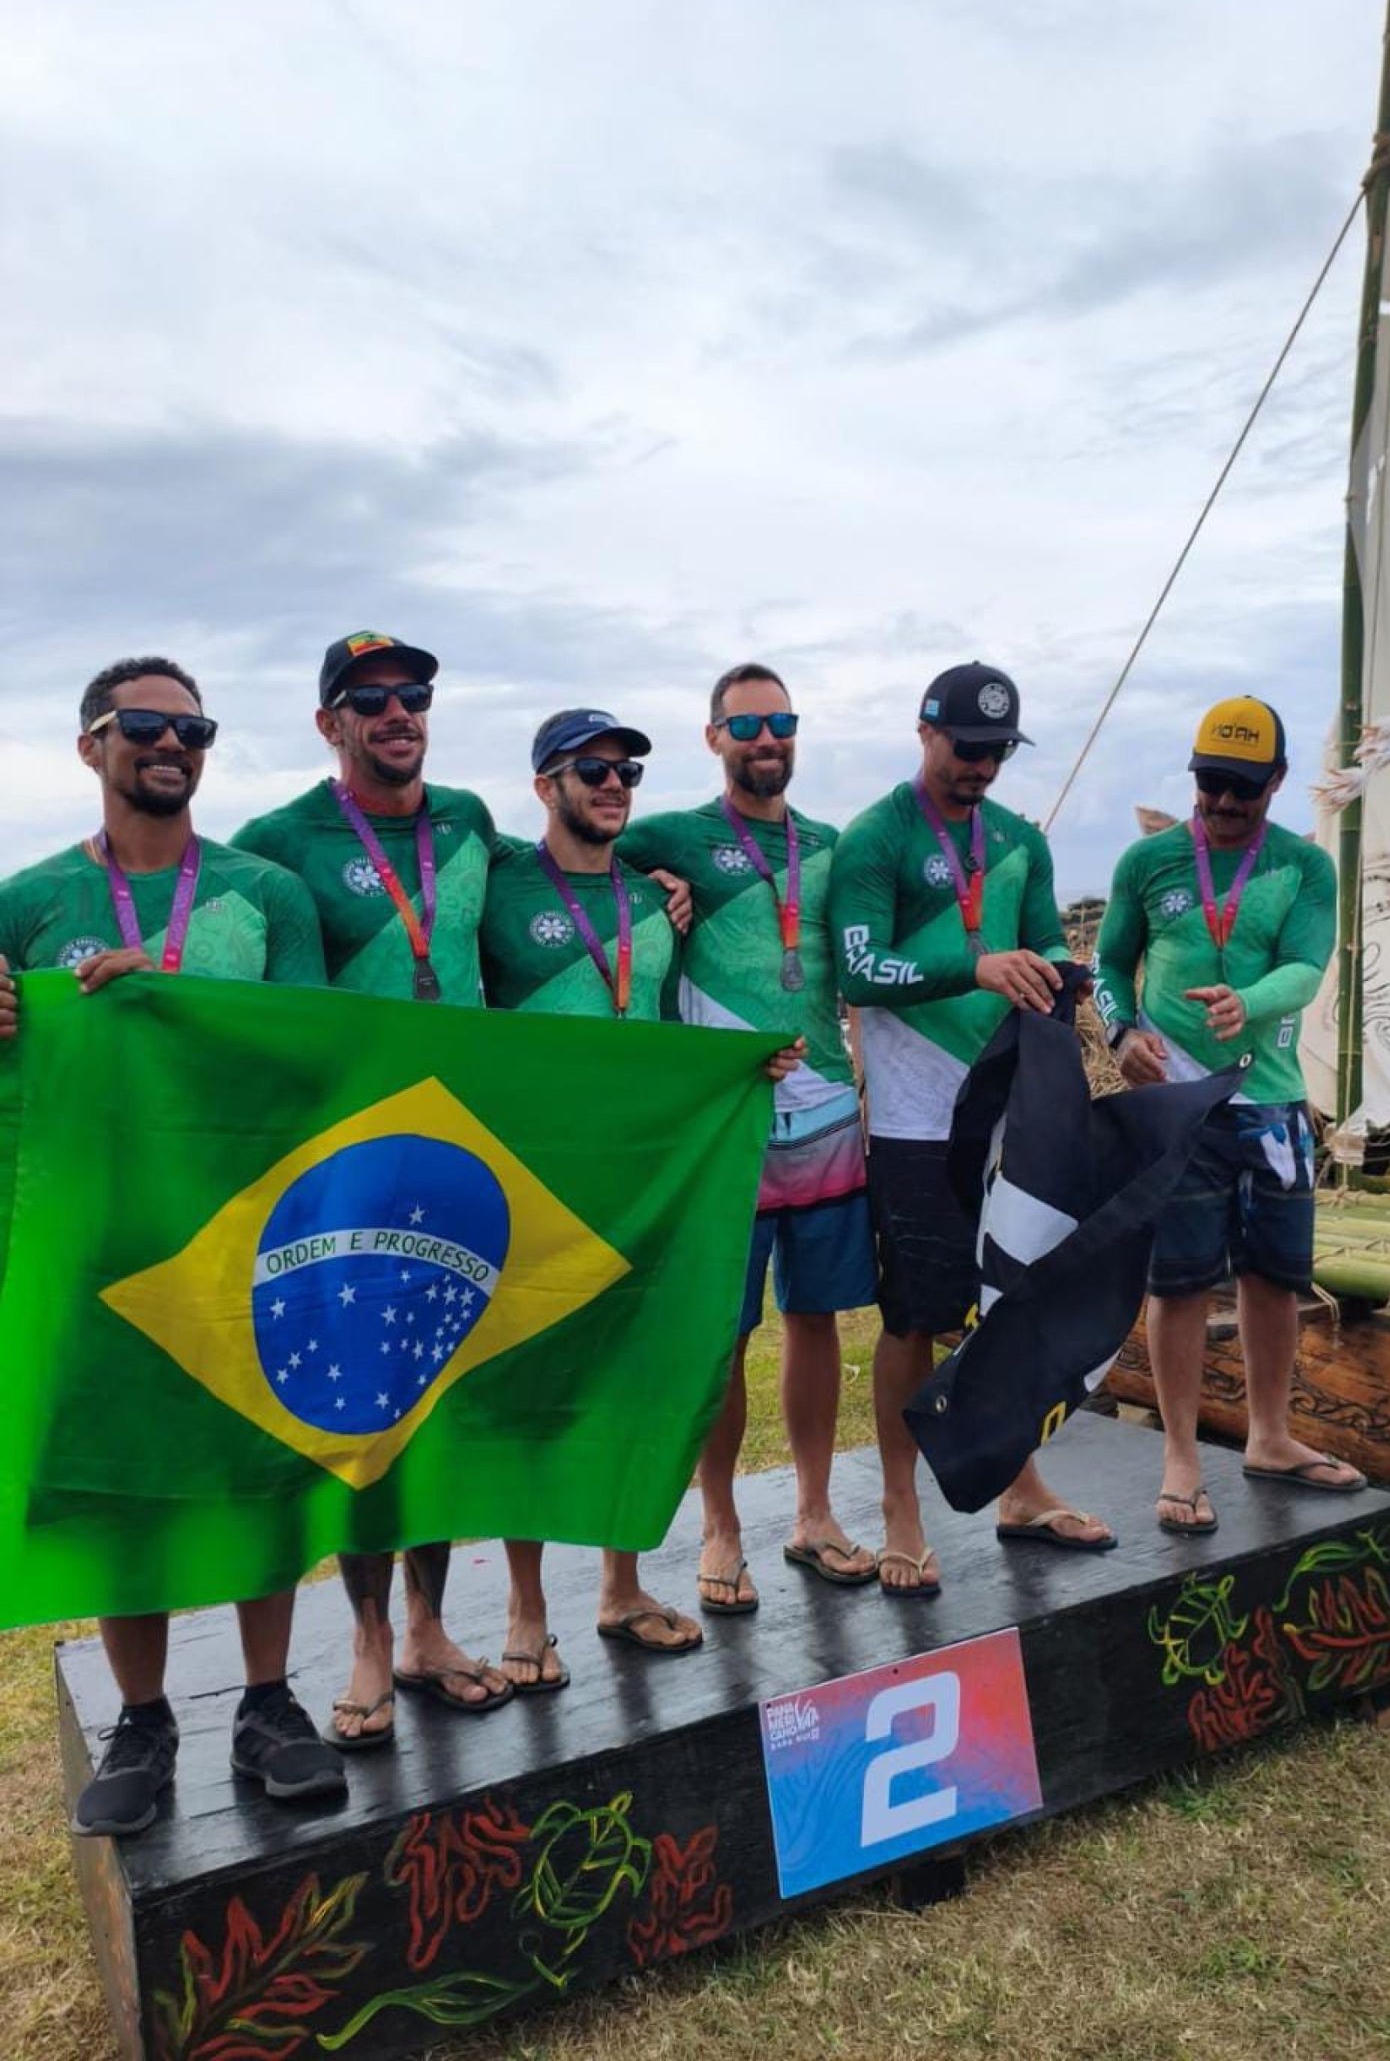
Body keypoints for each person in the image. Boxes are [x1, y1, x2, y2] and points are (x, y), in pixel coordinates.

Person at [0, 656, 346, 1836]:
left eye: (191, 726)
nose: (171, 743)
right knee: (125, 1485)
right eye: (142, 724)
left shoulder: (268, 894)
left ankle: (267, 1702)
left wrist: (174, 990)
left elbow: (310, 1052)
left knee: (261, 1472)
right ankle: (142, 1720)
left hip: (253, 1236)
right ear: (89, 746)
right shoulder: (29, 900)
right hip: (101, 1242)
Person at [233, 633, 510, 1742]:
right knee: (363, 1407)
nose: (399, 713)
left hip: (462, 1155)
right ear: (329, 722)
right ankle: (367, 1641)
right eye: (371, 699)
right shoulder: (278, 843)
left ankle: (432, 1627)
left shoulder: (473, 822)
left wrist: (667, 893)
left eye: (415, 696)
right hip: (345, 1170)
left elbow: (531, 926)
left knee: (437, 1402)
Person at [481, 708, 804, 1656]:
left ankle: (621, 1589)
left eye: (626, 770)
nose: (614, 784)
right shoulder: (500, 891)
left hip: (639, 1183)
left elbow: (665, 1038)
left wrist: (743, 1069)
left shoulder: (651, 904)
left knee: (632, 1387)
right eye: (591, 770)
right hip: (535, 1180)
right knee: (534, 1393)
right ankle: (526, 1610)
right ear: (546, 786)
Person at [827, 662, 1116, 1594]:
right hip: (913, 1122)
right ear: (925, 733)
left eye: (997, 753)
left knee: (1009, 1307)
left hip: (1007, 1113)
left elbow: (1054, 953)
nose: (981, 768)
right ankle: (900, 1509)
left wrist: (1067, 1001)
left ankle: (1019, 1488)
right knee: (914, 1317)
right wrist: (977, 966)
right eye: (966, 749)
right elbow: (860, 967)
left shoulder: (1020, 838)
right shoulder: (877, 836)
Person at [618, 665, 878, 1614]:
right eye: (748, 725)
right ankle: (721, 1527)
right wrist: (645, 887)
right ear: (714, 737)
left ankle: (814, 1513)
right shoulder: (671, 834)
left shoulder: (830, 844)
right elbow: (579, 864)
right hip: (723, 1128)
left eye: (782, 723)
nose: (767, 739)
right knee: (721, 1336)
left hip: (825, 1117)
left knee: (819, 1319)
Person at [1093, 695, 1365, 1534]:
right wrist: (1120, 1028)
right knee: (1176, 1284)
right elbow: (1109, 962)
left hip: (1273, 1103)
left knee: (1274, 1278)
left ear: (1277, 782)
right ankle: (1180, 1454)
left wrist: (1243, 1001)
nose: (1221, 803)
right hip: (1175, 1106)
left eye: (1241, 788)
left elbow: (1306, 969)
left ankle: (1270, 1436)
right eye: (1209, 782)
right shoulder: (1149, 862)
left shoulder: (1304, 868)